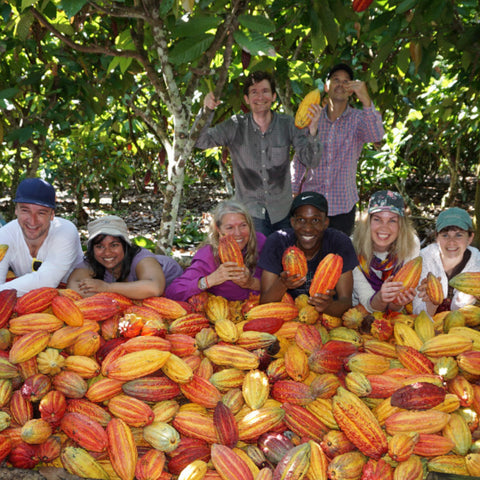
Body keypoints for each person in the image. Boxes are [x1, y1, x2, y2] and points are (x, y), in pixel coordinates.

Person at [195, 71, 322, 236]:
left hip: (282, 212)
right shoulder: (235, 126)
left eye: (265, 91)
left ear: (274, 96)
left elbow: (311, 161)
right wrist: (206, 111)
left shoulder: (287, 124)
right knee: (256, 260)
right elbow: (200, 141)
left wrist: (313, 130)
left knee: (284, 259)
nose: (260, 97)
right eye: (254, 92)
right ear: (247, 99)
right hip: (250, 214)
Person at [291, 63, 385, 236]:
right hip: (311, 205)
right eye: (336, 80)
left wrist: (366, 100)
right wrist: (294, 189)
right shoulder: (313, 116)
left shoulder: (358, 119)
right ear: (326, 87)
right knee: (308, 257)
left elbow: (376, 136)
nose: (340, 84)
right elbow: (300, 159)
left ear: (351, 90)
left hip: (343, 205)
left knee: (336, 259)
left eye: (346, 81)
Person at [258, 191, 358, 317]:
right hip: (287, 315)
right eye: (301, 220)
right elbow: (264, 304)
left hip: (328, 318)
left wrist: (328, 307)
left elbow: (346, 302)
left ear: (325, 223)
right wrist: (282, 284)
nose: (308, 228)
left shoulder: (339, 243)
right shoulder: (277, 242)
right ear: (292, 222)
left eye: (315, 220)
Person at [165, 200, 266, 302]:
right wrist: (210, 280)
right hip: (226, 312)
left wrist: (251, 283)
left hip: (262, 306)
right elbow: (173, 292)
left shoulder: (260, 242)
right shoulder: (208, 255)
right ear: (218, 229)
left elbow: (277, 283)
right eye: (230, 227)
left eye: (243, 225)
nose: (238, 233)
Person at [0, 178, 83, 297]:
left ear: (52, 214)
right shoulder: (5, 234)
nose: (32, 221)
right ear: (16, 210)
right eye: (25, 210)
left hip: (68, 298)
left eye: (41, 213)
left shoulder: (65, 231)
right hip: (24, 299)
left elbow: (46, 281)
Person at [67, 215, 183, 300]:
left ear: (125, 245)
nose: (107, 253)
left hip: (177, 296)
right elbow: (73, 287)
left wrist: (107, 288)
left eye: (114, 245)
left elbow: (155, 288)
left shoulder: (141, 257)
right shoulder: (92, 261)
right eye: (100, 246)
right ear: (92, 249)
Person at [352, 190, 420, 313]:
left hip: (394, 316)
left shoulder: (411, 244)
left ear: (401, 225)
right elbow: (368, 303)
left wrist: (398, 303)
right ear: (368, 222)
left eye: (392, 220)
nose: (384, 227)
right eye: (377, 219)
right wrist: (381, 298)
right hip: (359, 311)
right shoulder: (353, 247)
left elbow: (396, 307)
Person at [413, 207, 480, 316]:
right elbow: (417, 312)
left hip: (463, 327)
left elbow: (467, 316)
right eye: (445, 235)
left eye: (459, 235)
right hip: (427, 326)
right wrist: (432, 302)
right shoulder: (424, 259)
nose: (451, 242)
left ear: (470, 238)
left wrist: (470, 298)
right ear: (436, 237)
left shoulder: (477, 264)